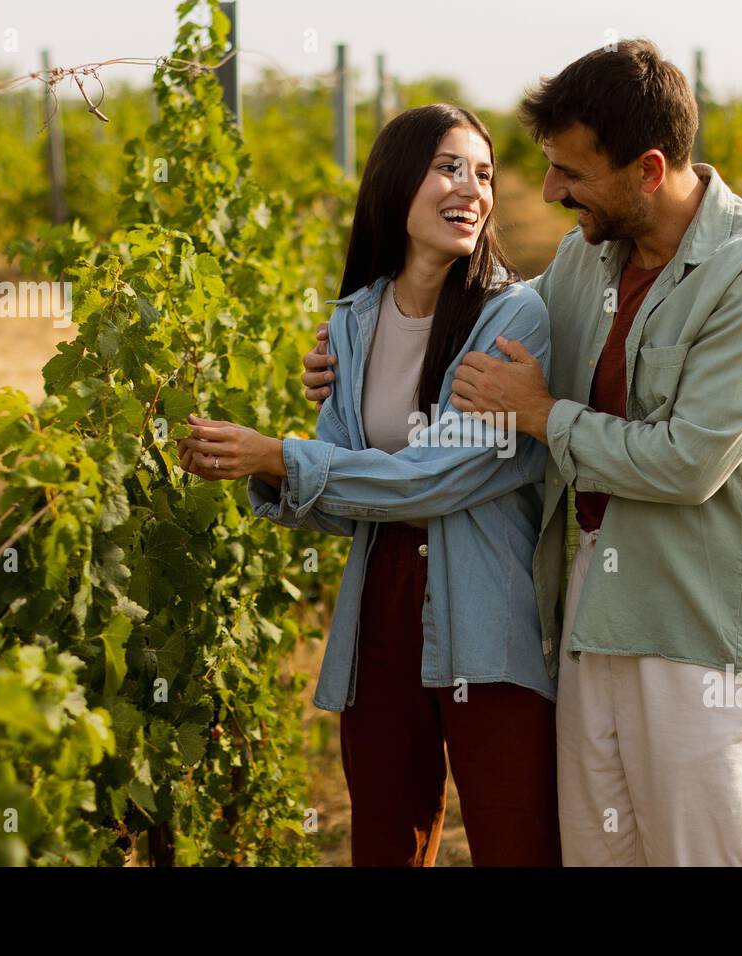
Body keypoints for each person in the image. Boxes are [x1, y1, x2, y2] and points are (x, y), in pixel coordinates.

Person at [303, 41, 742, 866]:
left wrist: (545, 416)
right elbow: (481, 325)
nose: (547, 191)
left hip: (701, 637)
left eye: (571, 173)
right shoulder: (585, 261)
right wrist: (363, 353)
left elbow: (687, 462)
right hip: (586, 624)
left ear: (648, 171)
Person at [176, 104, 561, 867]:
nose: (473, 190)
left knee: (515, 843)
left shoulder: (514, 317)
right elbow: (349, 500)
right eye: (449, 167)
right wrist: (263, 468)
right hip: (378, 608)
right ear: (395, 183)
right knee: (385, 844)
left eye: (484, 174)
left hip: (487, 616)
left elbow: (434, 479)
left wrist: (280, 458)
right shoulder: (351, 320)